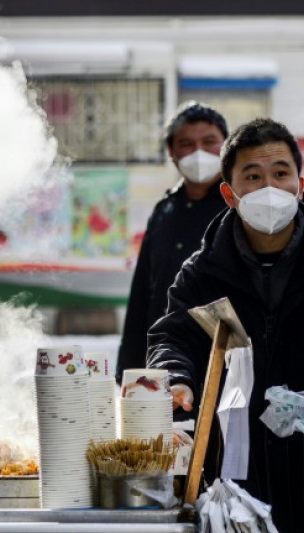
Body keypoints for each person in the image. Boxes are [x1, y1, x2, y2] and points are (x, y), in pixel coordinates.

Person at [147, 118, 304, 532]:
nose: (270, 188)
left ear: (300, 183)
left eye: (280, 174)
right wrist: (176, 376)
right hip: (239, 486)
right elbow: (172, 336)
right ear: (229, 193)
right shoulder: (202, 274)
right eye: (253, 177)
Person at [116, 101, 229, 382]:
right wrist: (128, 368)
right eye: (187, 143)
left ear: (226, 146)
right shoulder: (164, 211)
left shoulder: (236, 210)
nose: (198, 153)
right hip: (163, 357)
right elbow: (143, 292)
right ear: (171, 151)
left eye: (209, 142)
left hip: (220, 361)